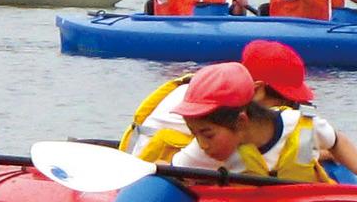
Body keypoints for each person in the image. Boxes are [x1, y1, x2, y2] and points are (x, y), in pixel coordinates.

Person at [171, 62, 357, 195]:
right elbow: (172, 173)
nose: (202, 143)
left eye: (207, 133)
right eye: (195, 134)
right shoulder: (202, 151)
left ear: (241, 121)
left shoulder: (300, 125)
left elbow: (337, 141)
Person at [119, 39, 315, 163]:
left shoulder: (226, 91)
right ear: (258, 90)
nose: (287, 109)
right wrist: (319, 153)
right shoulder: (213, 102)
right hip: (152, 162)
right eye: (286, 102)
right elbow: (265, 149)